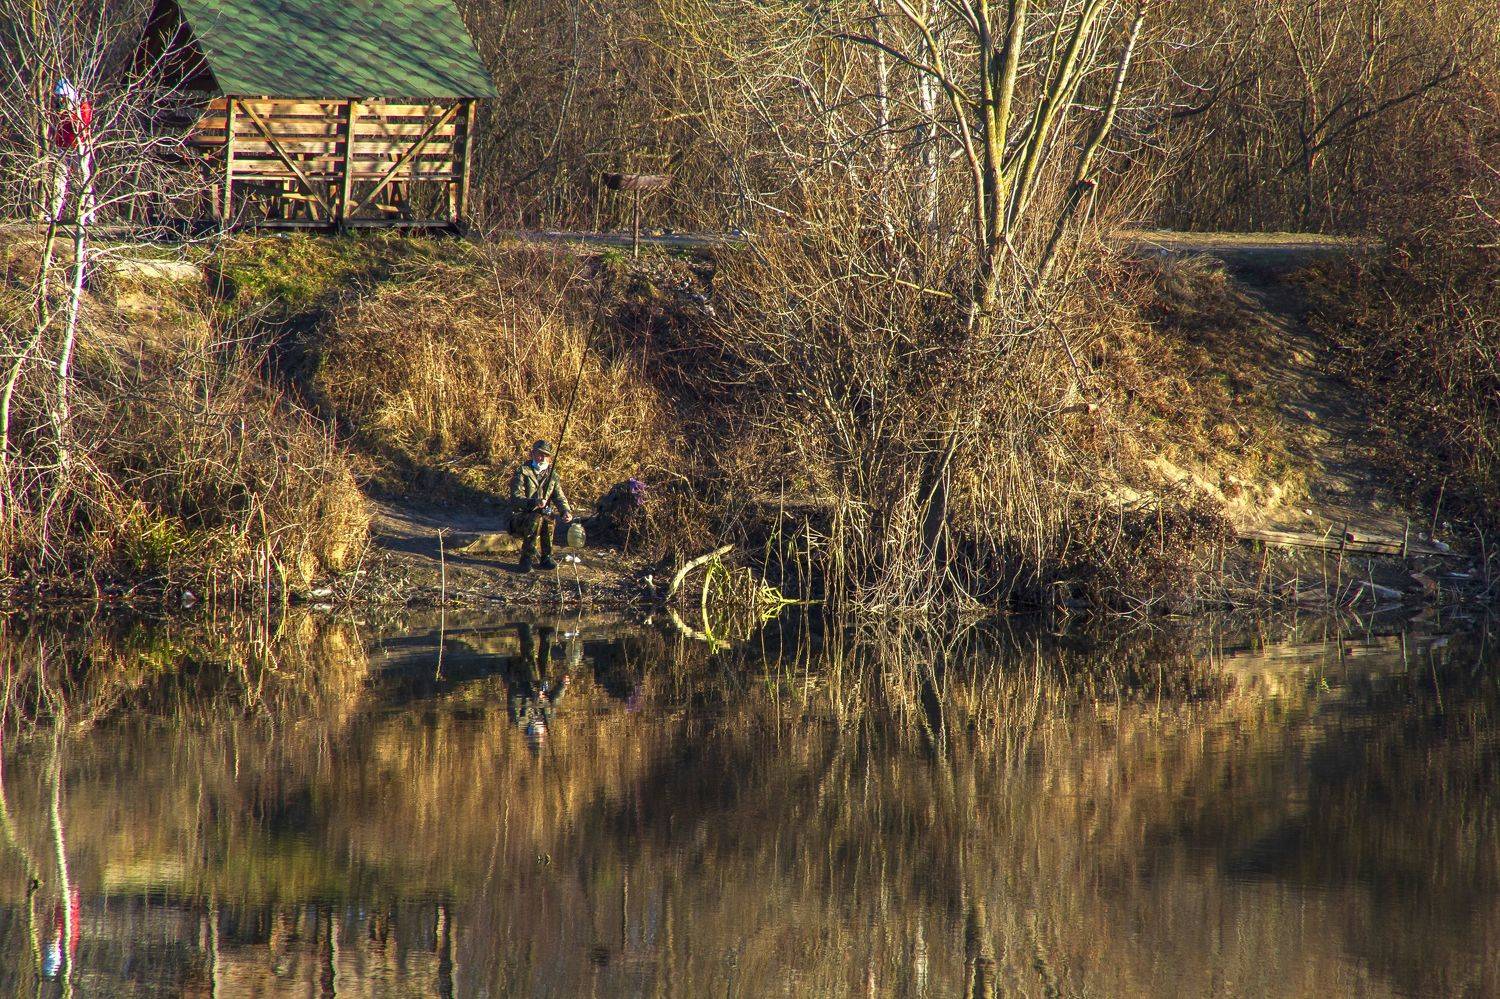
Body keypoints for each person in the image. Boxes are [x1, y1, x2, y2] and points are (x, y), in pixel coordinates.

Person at [509, 439, 573, 572]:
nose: (542, 458)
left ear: (550, 458)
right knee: (536, 519)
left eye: (546, 455)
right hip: (519, 517)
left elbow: (559, 497)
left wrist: (565, 511)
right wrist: (534, 502)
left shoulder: (552, 475)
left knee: (548, 518)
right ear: (532, 454)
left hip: (542, 516)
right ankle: (526, 559)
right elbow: (516, 498)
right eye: (539, 454)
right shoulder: (522, 471)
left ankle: (546, 557)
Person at [48, 79, 94, 225]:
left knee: (82, 179)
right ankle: (54, 214)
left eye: (62, 98)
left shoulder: (83, 108)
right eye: (58, 98)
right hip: (62, 147)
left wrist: (69, 114)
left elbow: (82, 126)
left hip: (79, 147)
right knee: (58, 180)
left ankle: (88, 213)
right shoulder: (60, 109)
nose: (60, 102)